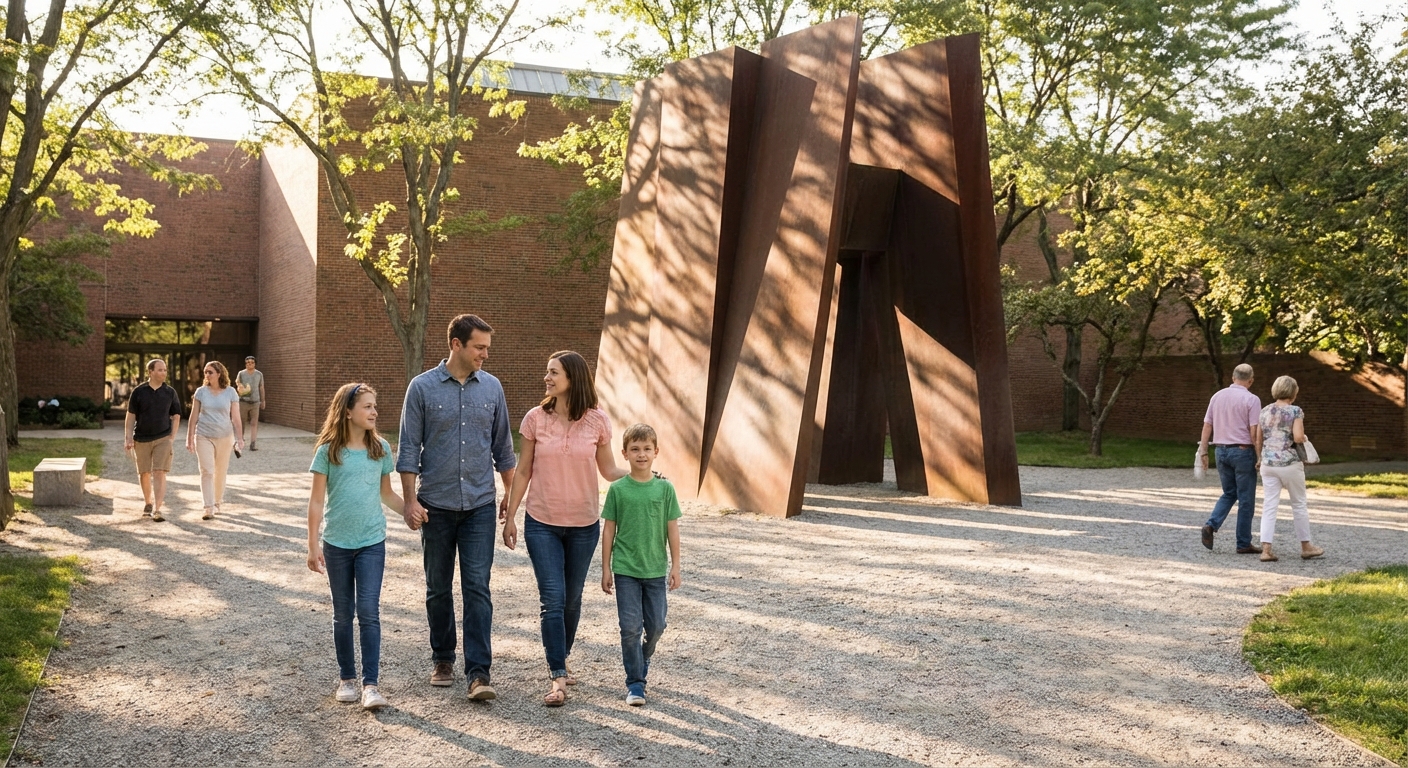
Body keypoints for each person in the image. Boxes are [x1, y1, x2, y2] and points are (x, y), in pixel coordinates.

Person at [397, 314, 516, 701]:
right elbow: (408, 449)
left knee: (477, 587)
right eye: (479, 347)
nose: (485, 354)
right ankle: (443, 657)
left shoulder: (493, 388)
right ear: (456, 345)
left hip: (480, 504)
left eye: (487, 348)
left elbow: (503, 448)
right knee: (437, 588)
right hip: (436, 505)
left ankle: (479, 673)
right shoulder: (422, 388)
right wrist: (410, 501)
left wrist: (509, 499)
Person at [502, 351, 626, 707]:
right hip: (541, 522)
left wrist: (640, 472)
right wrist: (510, 515)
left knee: (572, 600)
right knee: (552, 598)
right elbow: (523, 470)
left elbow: (608, 471)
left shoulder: (598, 421)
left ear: (572, 377)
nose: (547, 378)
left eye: (553, 373)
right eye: (547, 372)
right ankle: (557, 673)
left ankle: (561, 655)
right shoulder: (535, 419)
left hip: (584, 525)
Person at [306, 383, 402, 711]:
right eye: (367, 407)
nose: (375, 412)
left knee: (369, 612)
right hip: (336, 544)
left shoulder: (381, 449)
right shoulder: (328, 451)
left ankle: (371, 685)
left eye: (375, 406)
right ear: (348, 411)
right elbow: (317, 501)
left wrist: (412, 511)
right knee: (343, 613)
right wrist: (312, 544)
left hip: (372, 542)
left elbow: (386, 494)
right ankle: (347, 678)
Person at [600, 423, 682, 707]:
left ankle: (643, 654)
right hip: (625, 570)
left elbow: (672, 529)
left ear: (656, 452)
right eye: (635, 449)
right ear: (625, 454)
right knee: (630, 628)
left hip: (656, 569)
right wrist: (605, 568)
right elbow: (609, 530)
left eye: (647, 449)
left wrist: (676, 565)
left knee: (657, 625)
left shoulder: (665, 489)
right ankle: (635, 683)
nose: (641, 454)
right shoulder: (618, 490)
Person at [1255, 376, 1325, 562]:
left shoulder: (1264, 411)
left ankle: (1266, 550)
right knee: (1299, 504)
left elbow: (1258, 438)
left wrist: (1260, 458)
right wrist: (1303, 438)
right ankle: (1306, 546)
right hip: (1289, 464)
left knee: (1269, 505)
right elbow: (1298, 436)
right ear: (1294, 392)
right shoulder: (1295, 411)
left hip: (1268, 464)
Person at [1197, 364, 1262, 554]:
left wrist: (1203, 451)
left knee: (1229, 493)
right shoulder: (1252, 399)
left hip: (1220, 451)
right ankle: (1243, 543)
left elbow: (1207, 425)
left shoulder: (1217, 396)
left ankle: (1211, 525)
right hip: (1242, 452)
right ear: (1251, 380)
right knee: (1246, 500)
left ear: (1233, 377)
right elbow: (1253, 431)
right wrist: (1259, 456)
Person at [123, 359, 182, 522]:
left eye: (165, 370)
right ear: (151, 372)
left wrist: (172, 438)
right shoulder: (139, 392)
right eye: (160, 370)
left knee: (159, 471)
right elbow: (131, 416)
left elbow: (176, 415)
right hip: (141, 439)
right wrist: (128, 437)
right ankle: (148, 502)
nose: (164, 373)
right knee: (144, 472)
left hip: (163, 437)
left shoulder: (170, 392)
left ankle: (157, 509)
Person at [186, 360, 244, 521]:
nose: (207, 375)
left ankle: (217, 501)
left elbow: (236, 418)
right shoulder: (201, 392)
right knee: (207, 471)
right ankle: (208, 507)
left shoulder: (231, 392)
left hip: (225, 437)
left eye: (210, 372)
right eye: (205, 372)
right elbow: (193, 416)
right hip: (203, 435)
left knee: (220, 471)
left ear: (219, 373)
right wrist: (189, 437)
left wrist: (240, 438)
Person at [236, 356, 266, 451]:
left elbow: (261, 387)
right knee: (242, 422)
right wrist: (241, 387)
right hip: (243, 401)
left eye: (252, 362)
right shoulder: (241, 373)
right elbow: (237, 383)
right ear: (245, 364)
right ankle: (241, 440)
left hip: (255, 402)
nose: (250, 364)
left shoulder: (259, 374)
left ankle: (253, 443)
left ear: (255, 364)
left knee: (254, 423)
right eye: (248, 362)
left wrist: (263, 400)